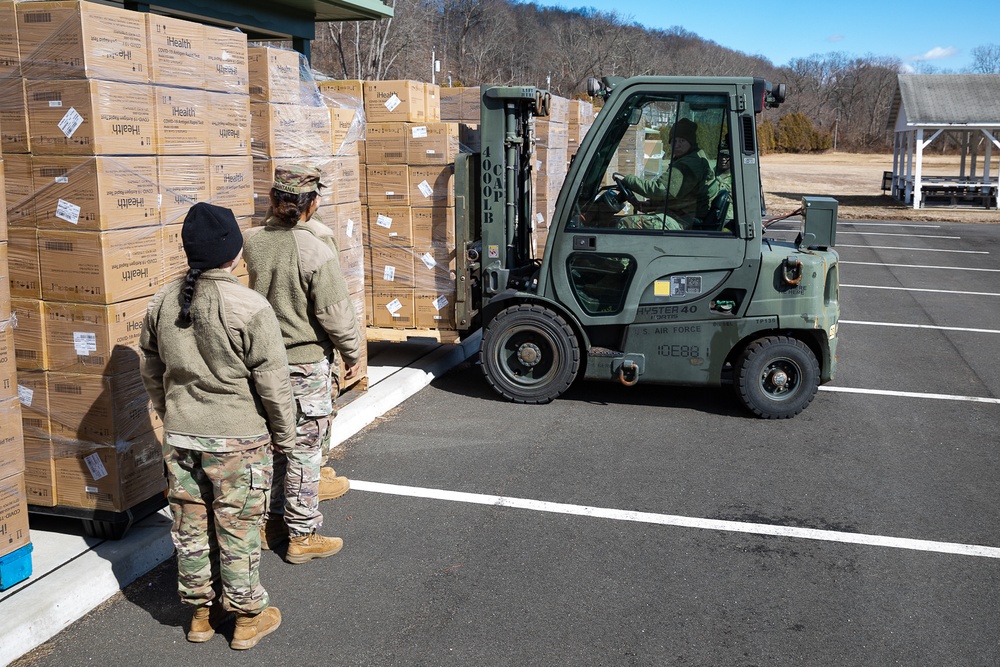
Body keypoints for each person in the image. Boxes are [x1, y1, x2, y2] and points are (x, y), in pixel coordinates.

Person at [139, 202, 294, 650]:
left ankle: (200, 616)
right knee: (238, 525)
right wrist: (283, 435)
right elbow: (273, 383)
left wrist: (170, 414)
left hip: (183, 435)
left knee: (191, 526)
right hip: (238, 438)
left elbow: (151, 369)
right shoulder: (249, 305)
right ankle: (247, 617)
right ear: (234, 251)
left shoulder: (163, 301)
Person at [242, 165, 363, 563]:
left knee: (275, 446)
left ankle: (270, 523)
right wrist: (353, 356)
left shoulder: (253, 242)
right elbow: (334, 313)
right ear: (312, 204)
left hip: (264, 363)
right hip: (306, 362)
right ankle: (302, 534)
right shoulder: (314, 249)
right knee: (304, 453)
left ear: (274, 201)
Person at [620, 117, 719, 229]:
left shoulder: (687, 165)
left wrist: (628, 180)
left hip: (683, 221)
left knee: (624, 223)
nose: (677, 145)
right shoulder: (690, 158)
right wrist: (652, 205)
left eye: (682, 141)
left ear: (691, 143)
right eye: (674, 141)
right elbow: (679, 195)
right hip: (684, 215)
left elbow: (660, 189)